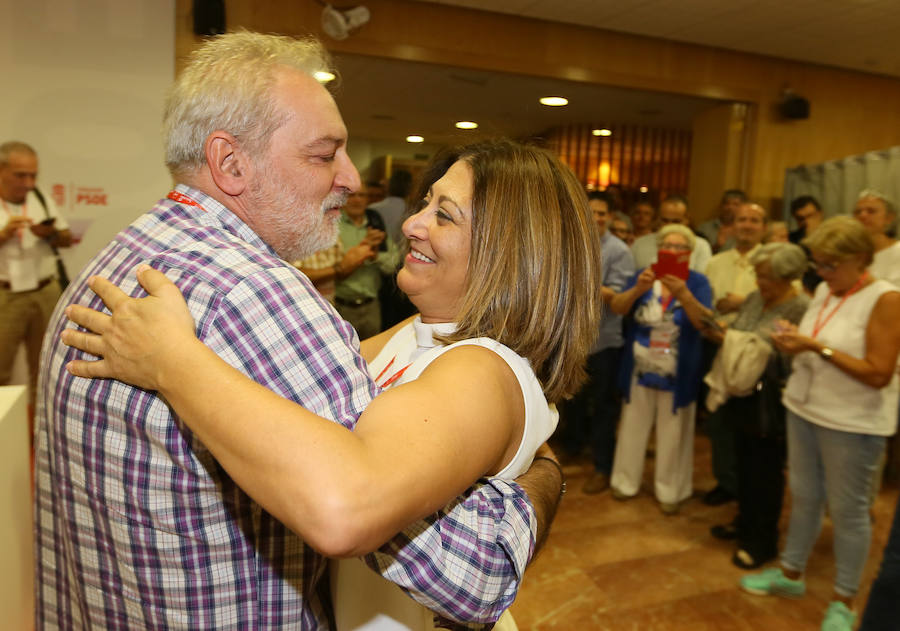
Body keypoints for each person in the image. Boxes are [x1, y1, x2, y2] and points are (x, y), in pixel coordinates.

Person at [34, 33, 564, 630]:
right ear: (231, 163)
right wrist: (545, 477)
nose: (350, 179)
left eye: (443, 213)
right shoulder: (253, 293)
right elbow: (470, 570)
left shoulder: (124, 254)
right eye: (323, 154)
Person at [740, 216, 900, 631]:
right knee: (805, 497)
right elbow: (818, 342)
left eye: (831, 265)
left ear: (859, 259)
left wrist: (815, 346)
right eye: (819, 265)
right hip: (805, 408)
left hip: (851, 422)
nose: (823, 273)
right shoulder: (828, 291)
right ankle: (791, 573)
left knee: (849, 513)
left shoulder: (886, 298)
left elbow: (879, 372)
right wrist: (795, 340)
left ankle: (845, 599)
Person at [704, 243, 809, 568]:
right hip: (742, 394)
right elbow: (741, 334)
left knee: (765, 472)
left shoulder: (800, 306)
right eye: (759, 275)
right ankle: (744, 523)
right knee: (744, 465)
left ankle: (762, 541)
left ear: (787, 277)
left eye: (766, 277)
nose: (760, 282)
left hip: (771, 400)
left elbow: (766, 349)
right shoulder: (756, 298)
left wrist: (728, 339)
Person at [609, 224, 713, 514]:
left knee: (674, 432)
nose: (673, 250)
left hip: (678, 371)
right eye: (667, 244)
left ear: (689, 253)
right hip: (640, 367)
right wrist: (638, 289)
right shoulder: (645, 276)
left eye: (680, 247)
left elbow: (704, 323)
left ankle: (671, 491)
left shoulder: (699, 282)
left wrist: (684, 294)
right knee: (632, 426)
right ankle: (625, 481)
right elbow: (618, 307)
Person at [563, 191, 635, 494]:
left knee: (604, 406)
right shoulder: (570, 241)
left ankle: (603, 466)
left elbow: (618, 298)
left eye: (603, 213)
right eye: (592, 211)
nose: (597, 218)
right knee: (571, 399)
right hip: (572, 339)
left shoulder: (619, 251)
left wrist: (588, 285)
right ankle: (572, 447)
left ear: (610, 217)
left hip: (605, 341)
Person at [700, 201, 768, 507]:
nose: (747, 225)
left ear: (763, 227)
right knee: (718, 423)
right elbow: (706, 301)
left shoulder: (773, 261)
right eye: (742, 219)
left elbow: (781, 302)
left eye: (754, 220)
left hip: (753, 357)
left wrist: (743, 302)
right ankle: (725, 482)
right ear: (733, 224)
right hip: (715, 347)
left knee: (749, 429)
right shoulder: (717, 262)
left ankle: (748, 488)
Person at [0, 141, 72, 413]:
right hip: (5, 294)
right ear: (1, 170)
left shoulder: (40, 197)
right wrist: (3, 236)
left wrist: (50, 234)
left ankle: (38, 431)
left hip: (44, 290)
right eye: (21, 175)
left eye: (33, 174)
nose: (29, 182)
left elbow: (65, 239)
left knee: (45, 366)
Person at [334, 190, 399, 338]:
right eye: (351, 195)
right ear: (342, 199)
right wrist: (363, 250)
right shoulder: (333, 225)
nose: (356, 200)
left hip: (372, 307)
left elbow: (393, 264)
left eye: (361, 195)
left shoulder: (376, 225)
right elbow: (332, 267)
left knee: (373, 356)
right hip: (341, 307)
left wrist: (375, 256)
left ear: (367, 199)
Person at [631, 195, 713, 273]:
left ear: (687, 220)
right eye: (665, 220)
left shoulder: (701, 246)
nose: (669, 225)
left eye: (676, 221)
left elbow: (701, 283)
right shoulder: (639, 244)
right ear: (658, 219)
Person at [853, 188, 900, 287]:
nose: (863, 215)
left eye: (871, 211)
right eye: (858, 212)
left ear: (889, 218)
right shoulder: (848, 254)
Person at [697, 189, 747, 253]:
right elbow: (699, 254)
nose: (730, 207)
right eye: (727, 203)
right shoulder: (705, 228)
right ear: (721, 206)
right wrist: (717, 246)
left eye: (735, 204)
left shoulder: (747, 229)